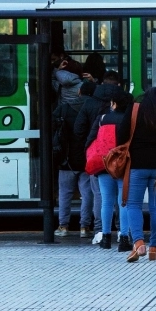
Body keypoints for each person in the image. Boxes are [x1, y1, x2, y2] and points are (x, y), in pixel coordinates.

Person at [118, 87, 156, 263]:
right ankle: (154, 248)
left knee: (133, 205)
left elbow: (121, 134)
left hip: (136, 165)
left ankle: (138, 243)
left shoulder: (136, 109)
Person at [75, 71, 125, 246]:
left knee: (101, 197)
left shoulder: (90, 103)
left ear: (102, 83)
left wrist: (90, 148)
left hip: (99, 159)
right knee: (121, 197)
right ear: (118, 85)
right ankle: (121, 231)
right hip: (120, 159)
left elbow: (79, 129)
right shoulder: (124, 107)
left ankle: (100, 232)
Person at [85, 89, 132, 251]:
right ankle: (124, 238)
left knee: (106, 201)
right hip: (123, 165)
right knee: (123, 201)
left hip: (104, 164)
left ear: (114, 104)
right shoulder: (129, 120)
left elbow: (90, 140)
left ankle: (105, 237)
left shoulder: (102, 119)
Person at [54, 81, 97, 238]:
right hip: (87, 158)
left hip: (66, 159)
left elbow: (52, 125)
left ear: (79, 91)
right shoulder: (95, 108)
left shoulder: (65, 108)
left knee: (65, 193)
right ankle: (84, 227)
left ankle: (63, 226)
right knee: (87, 194)